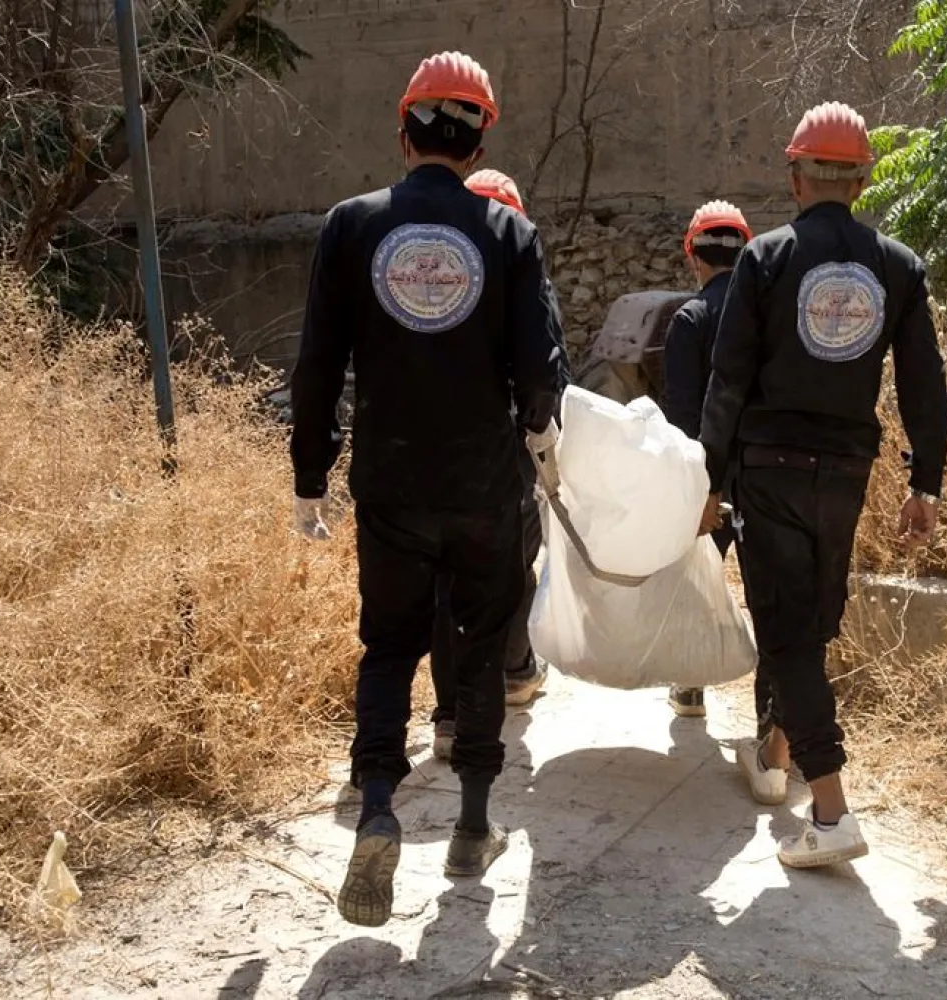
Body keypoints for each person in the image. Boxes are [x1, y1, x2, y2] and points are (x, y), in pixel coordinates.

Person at [290, 51, 568, 926]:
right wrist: (542, 441)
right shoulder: (508, 234)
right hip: (486, 489)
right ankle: (471, 830)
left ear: (402, 129)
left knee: (388, 648)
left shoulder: (350, 225)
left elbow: (316, 369)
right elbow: (541, 371)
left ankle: (377, 804)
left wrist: (310, 477)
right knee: (482, 651)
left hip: (392, 485)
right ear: (480, 134)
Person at [698, 101, 947, 868]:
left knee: (787, 633)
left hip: (769, 467)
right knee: (811, 622)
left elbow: (728, 379)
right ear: (863, 178)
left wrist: (708, 480)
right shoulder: (897, 267)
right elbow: (924, 383)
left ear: (796, 177)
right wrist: (927, 481)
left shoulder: (766, 258)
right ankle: (774, 759)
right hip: (846, 470)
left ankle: (834, 814)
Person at [428, 168, 549, 763]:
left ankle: (449, 717)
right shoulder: (521, 269)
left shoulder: (428, 275)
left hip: (433, 457)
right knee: (509, 576)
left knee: (445, 587)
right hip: (505, 464)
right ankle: (515, 673)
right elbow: (547, 373)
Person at [659, 200, 753, 719]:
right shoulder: (764, 318)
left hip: (706, 480)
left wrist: (695, 487)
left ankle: (690, 686)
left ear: (693, 255)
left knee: (696, 578)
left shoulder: (689, 320)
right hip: (762, 474)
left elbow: (681, 413)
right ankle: (777, 711)